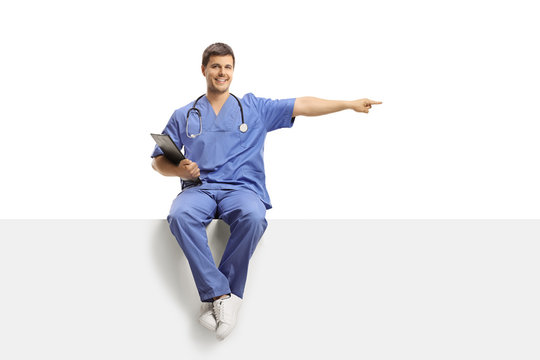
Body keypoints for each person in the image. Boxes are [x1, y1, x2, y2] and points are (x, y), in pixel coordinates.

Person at [151, 42, 382, 340]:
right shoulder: (184, 114)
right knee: (180, 215)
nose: (222, 72)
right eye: (216, 66)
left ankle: (214, 299)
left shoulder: (254, 108)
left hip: (242, 189)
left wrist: (347, 104)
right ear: (204, 69)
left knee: (253, 216)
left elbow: (303, 104)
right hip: (200, 189)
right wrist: (180, 170)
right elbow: (159, 161)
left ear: (233, 71)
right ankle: (222, 295)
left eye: (228, 67)